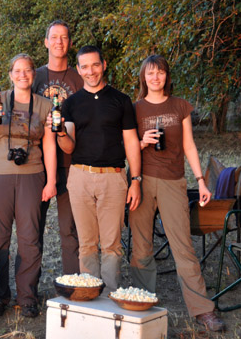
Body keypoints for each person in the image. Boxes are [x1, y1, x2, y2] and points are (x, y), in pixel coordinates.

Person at [128, 55, 226, 332]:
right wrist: (141, 141)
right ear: (143, 77)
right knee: (141, 246)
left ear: (166, 76)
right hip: (143, 180)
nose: (155, 77)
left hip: (174, 181)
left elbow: (189, 146)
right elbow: (126, 146)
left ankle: (203, 310)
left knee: (183, 247)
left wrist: (201, 180)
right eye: (150, 73)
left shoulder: (180, 105)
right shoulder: (135, 108)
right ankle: (141, 303)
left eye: (159, 72)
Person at [0, 53, 57, 318]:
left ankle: (27, 296)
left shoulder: (45, 105)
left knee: (30, 238)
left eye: (28, 70)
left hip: (32, 175)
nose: (23, 75)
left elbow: (49, 144)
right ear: (10, 74)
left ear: (34, 74)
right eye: (17, 71)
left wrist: (51, 180)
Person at [57, 45, 141, 295]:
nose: (90, 71)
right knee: (86, 244)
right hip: (80, 176)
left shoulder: (121, 100)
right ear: (78, 69)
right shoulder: (71, 103)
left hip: (113, 178)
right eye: (84, 66)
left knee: (112, 244)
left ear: (104, 65)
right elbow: (68, 145)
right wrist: (60, 132)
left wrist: (135, 179)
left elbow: (131, 143)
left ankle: (109, 296)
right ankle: (90, 295)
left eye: (95, 65)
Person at [33, 20, 83, 275]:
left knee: (69, 229)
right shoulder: (35, 76)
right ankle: (28, 289)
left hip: (71, 163)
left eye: (64, 37)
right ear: (46, 42)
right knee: (33, 230)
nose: (59, 42)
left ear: (70, 43)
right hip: (37, 164)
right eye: (54, 37)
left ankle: (73, 285)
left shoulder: (79, 77)